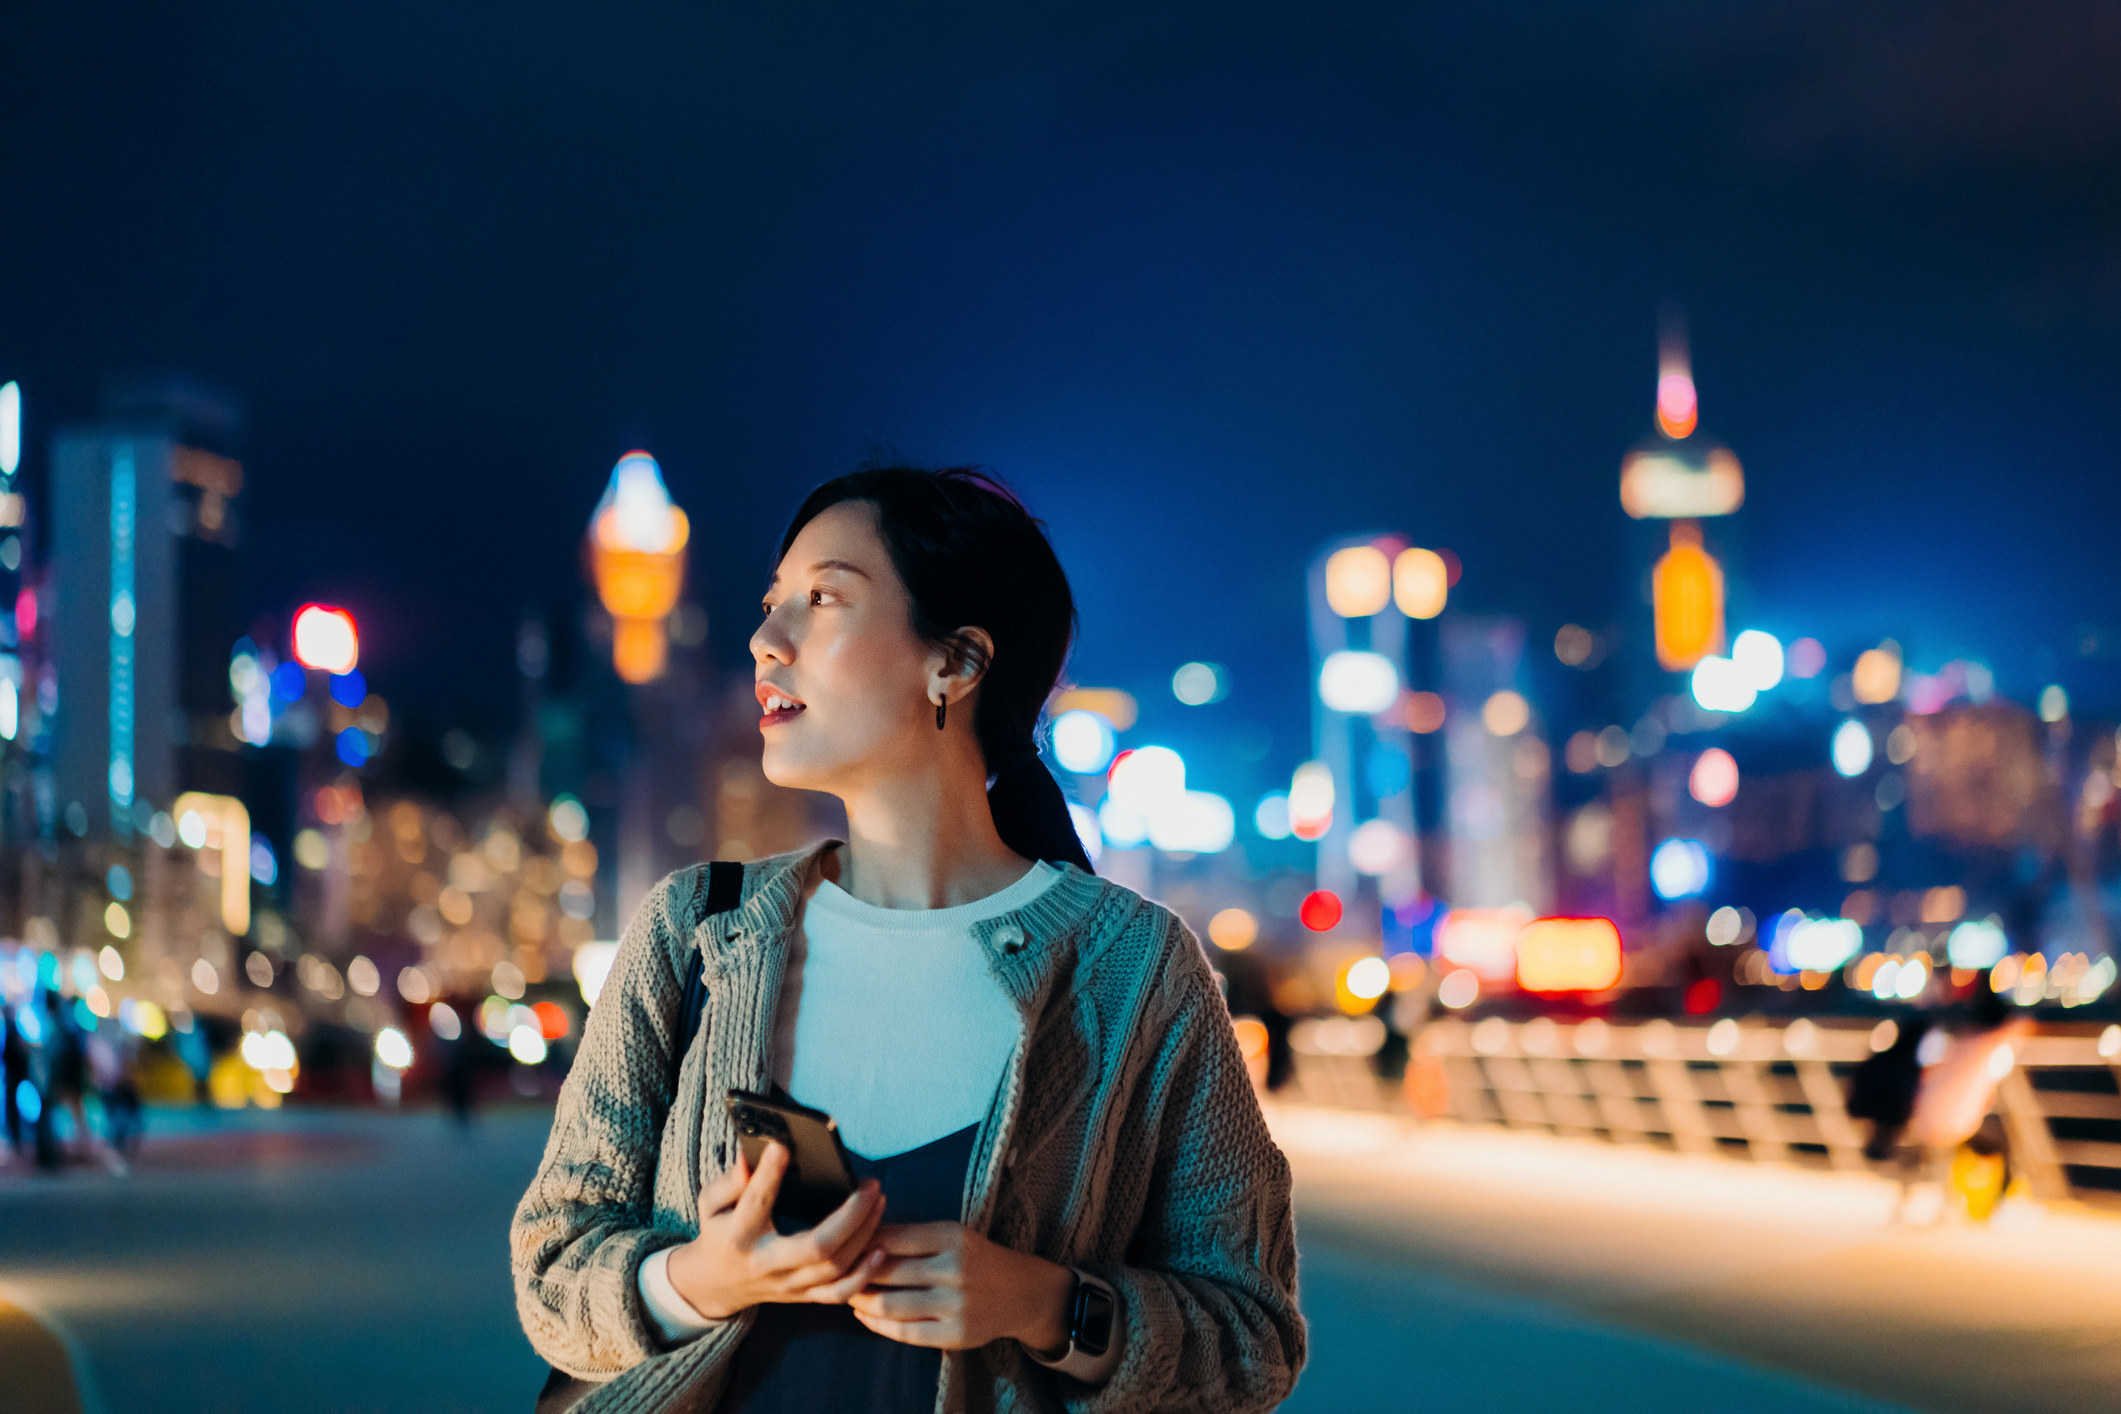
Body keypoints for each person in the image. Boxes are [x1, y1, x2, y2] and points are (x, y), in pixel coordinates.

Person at [513, 467, 1304, 1413]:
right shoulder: (697, 929)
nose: (766, 643)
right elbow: (553, 1274)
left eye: (821, 600)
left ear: (956, 664)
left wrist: (1043, 1304)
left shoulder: (1131, 968)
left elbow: (1250, 1342)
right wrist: (696, 1280)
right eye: (772, 606)